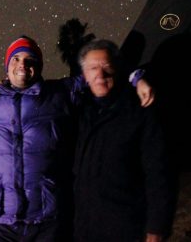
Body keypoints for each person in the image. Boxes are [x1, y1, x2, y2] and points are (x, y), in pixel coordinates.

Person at [0, 36, 154, 242]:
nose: (23, 64)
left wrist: (137, 78)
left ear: (39, 67)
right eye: (16, 58)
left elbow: (101, 72)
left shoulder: (59, 94)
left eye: (30, 60)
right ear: (7, 66)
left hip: (45, 221)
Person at [73, 39, 174, 242]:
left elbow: (159, 174)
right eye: (93, 68)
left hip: (127, 227)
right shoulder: (77, 111)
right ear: (84, 75)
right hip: (83, 227)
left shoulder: (140, 112)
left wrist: (156, 228)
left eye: (106, 67)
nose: (100, 75)